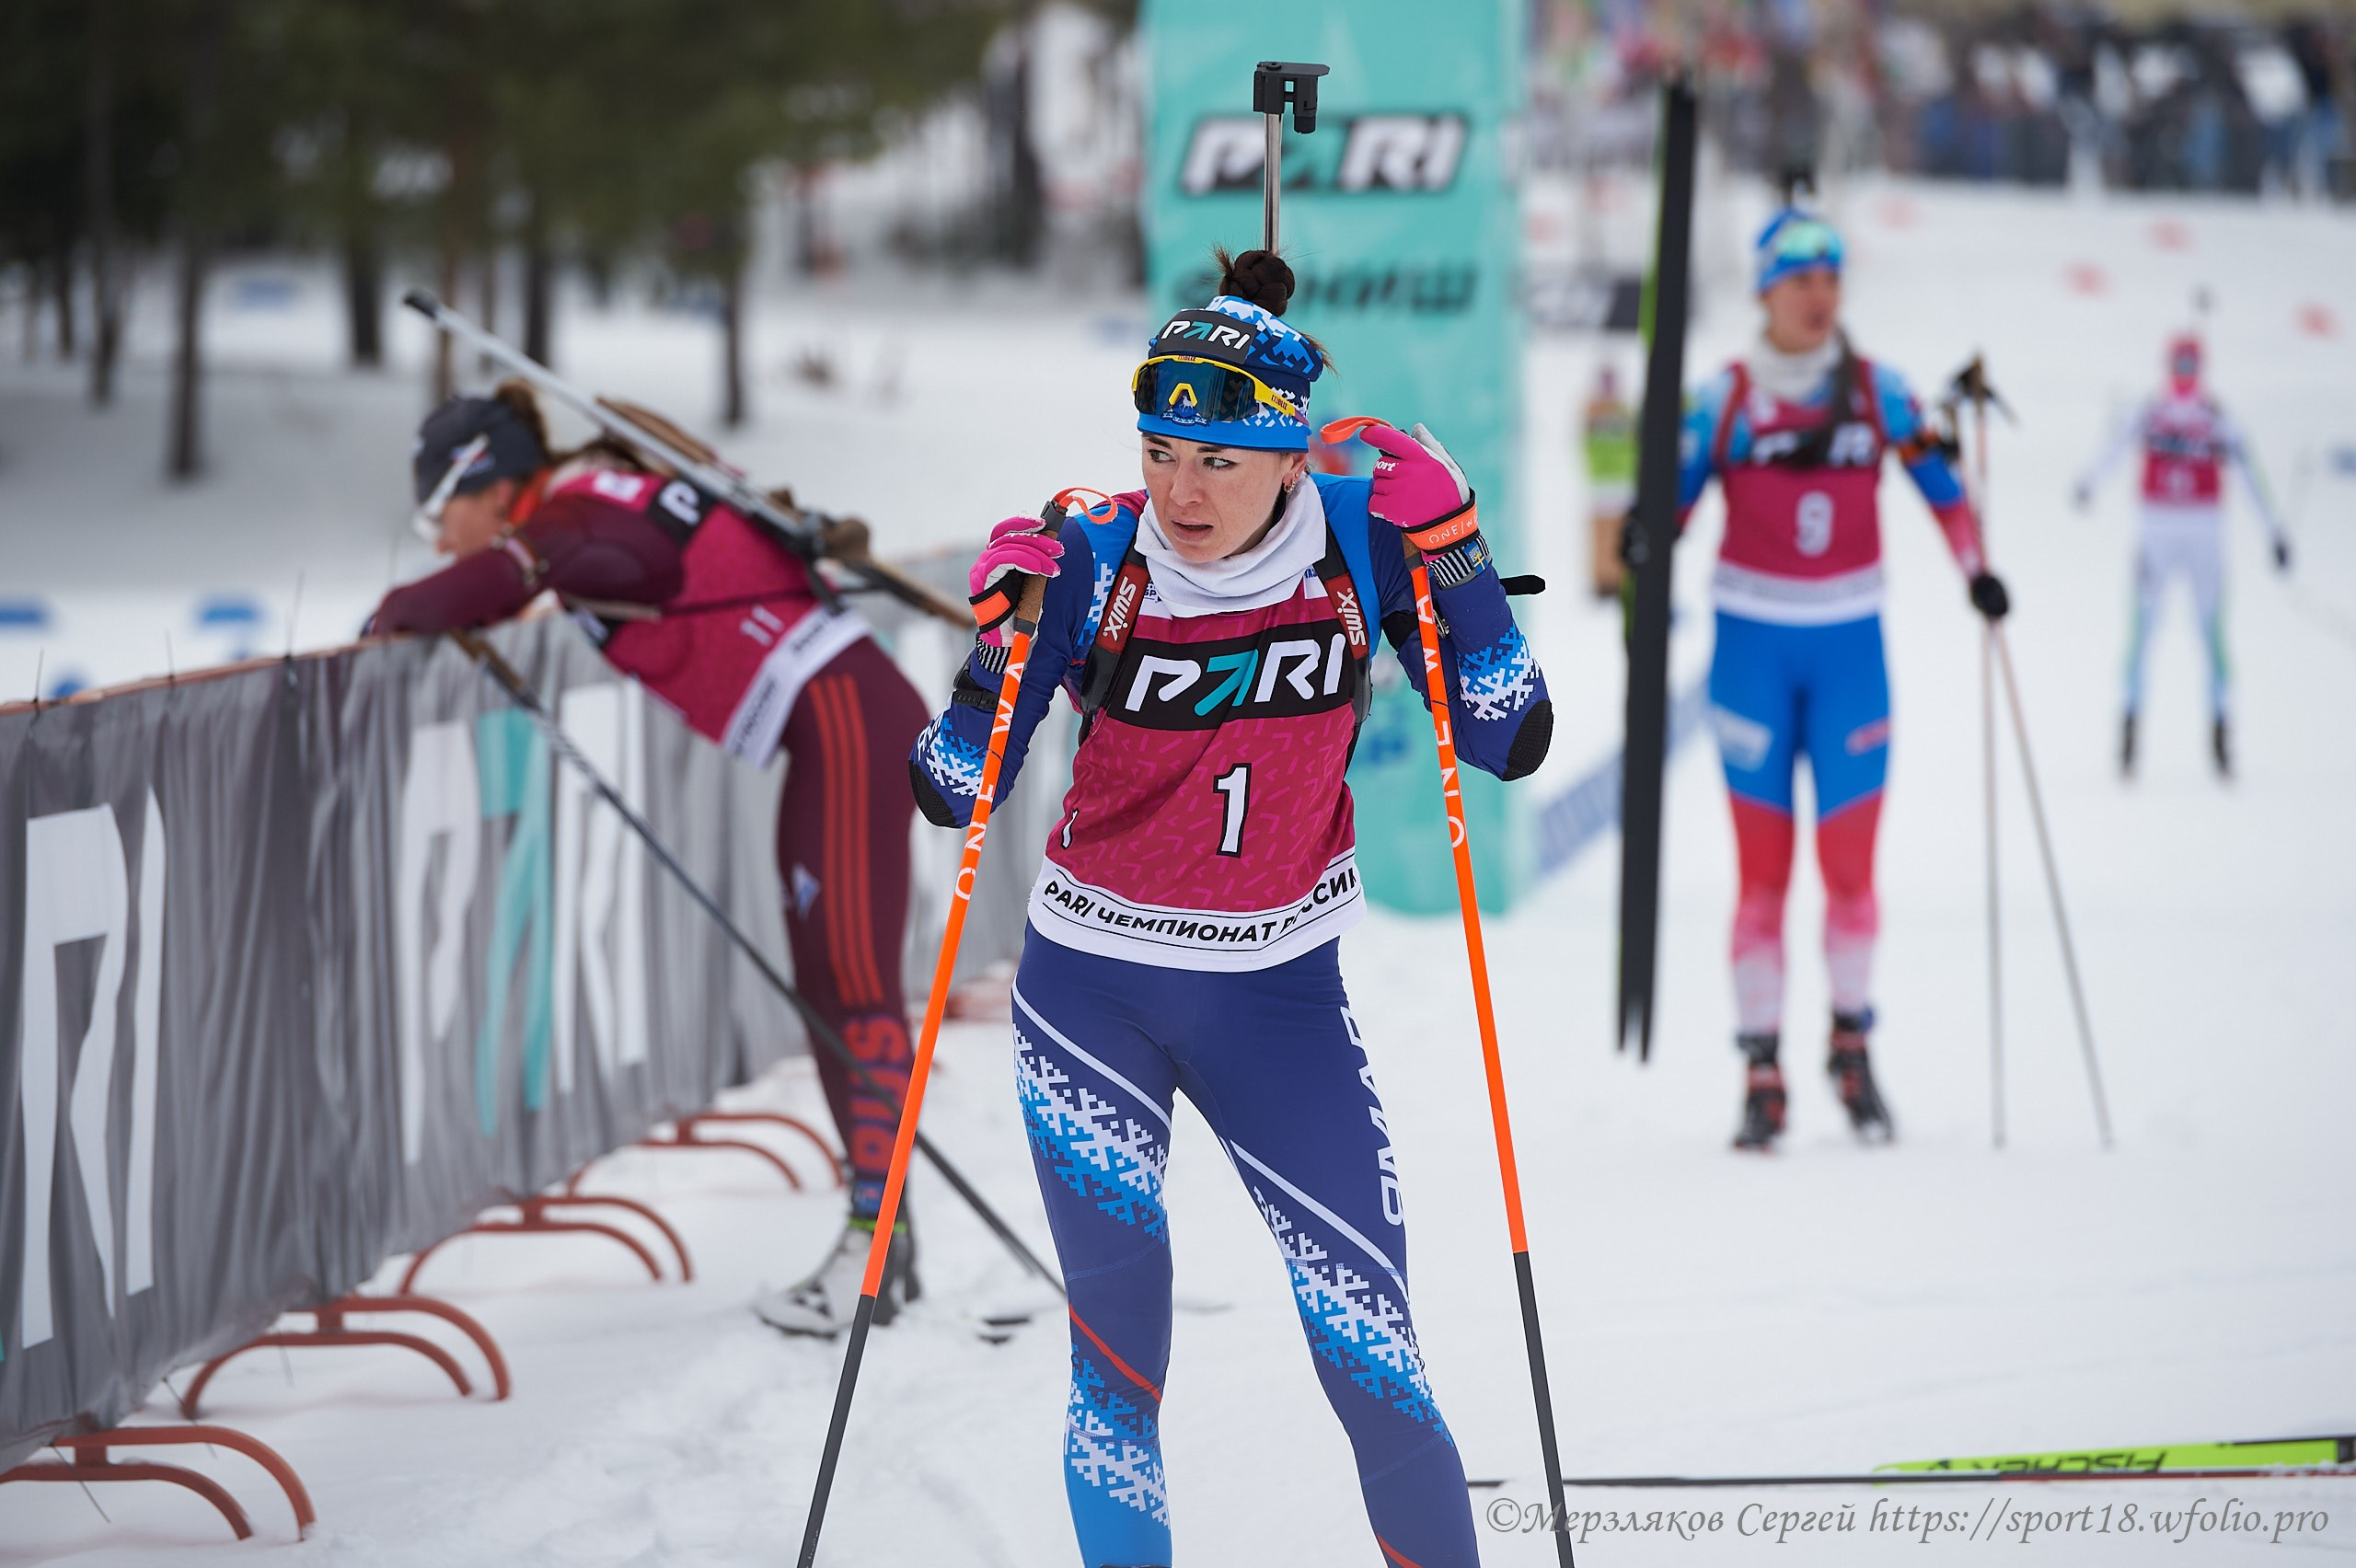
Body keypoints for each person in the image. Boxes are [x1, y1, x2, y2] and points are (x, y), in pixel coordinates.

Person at [908, 249, 1551, 1568]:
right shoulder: (1093, 556)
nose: (1180, 490)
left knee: (1376, 1362)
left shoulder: (1365, 544)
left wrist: (1461, 558)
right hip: (1093, 999)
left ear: (1288, 455)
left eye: (1216, 458)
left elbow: (1509, 736)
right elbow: (948, 788)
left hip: (1281, 1004)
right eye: (1159, 450)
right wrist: (993, 654)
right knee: (1118, 1372)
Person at [371, 384, 930, 1336]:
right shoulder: (595, 497)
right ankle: (884, 1245)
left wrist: (399, 610)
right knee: (834, 990)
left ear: (485, 482)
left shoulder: (578, 515)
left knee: (849, 991)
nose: (436, 539)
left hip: (844, 723)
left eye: (440, 511)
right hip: (837, 725)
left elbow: (499, 579)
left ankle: (873, 1250)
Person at [1674, 209, 2007, 1153]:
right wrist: (1644, 542)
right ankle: (1761, 1069)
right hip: (1751, 654)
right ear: (1764, 293)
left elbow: (1942, 491)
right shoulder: (1724, 398)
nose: (1819, 297)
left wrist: (1976, 569)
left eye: (1831, 279)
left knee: (1852, 874)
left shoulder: (1878, 392)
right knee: (1761, 880)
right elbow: (1672, 502)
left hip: (1850, 652)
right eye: (1798, 281)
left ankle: (1851, 1045)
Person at [2073, 333, 2291, 778]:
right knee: (2143, 629)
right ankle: (2129, 731)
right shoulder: (2149, 412)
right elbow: (2111, 451)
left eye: (2192, 366)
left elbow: (2251, 475)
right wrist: (2088, 482)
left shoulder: (2217, 420)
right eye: (2180, 365)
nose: (2185, 376)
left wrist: (2275, 532)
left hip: (2204, 530)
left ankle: (2220, 733)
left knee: (2211, 634)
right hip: (2156, 529)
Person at [1583, 363, 1636, 597]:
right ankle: (1608, 580)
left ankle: (1613, 580)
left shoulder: (1606, 411)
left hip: (1613, 483)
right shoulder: (1608, 411)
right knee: (1609, 534)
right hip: (1608, 483)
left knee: (1614, 534)